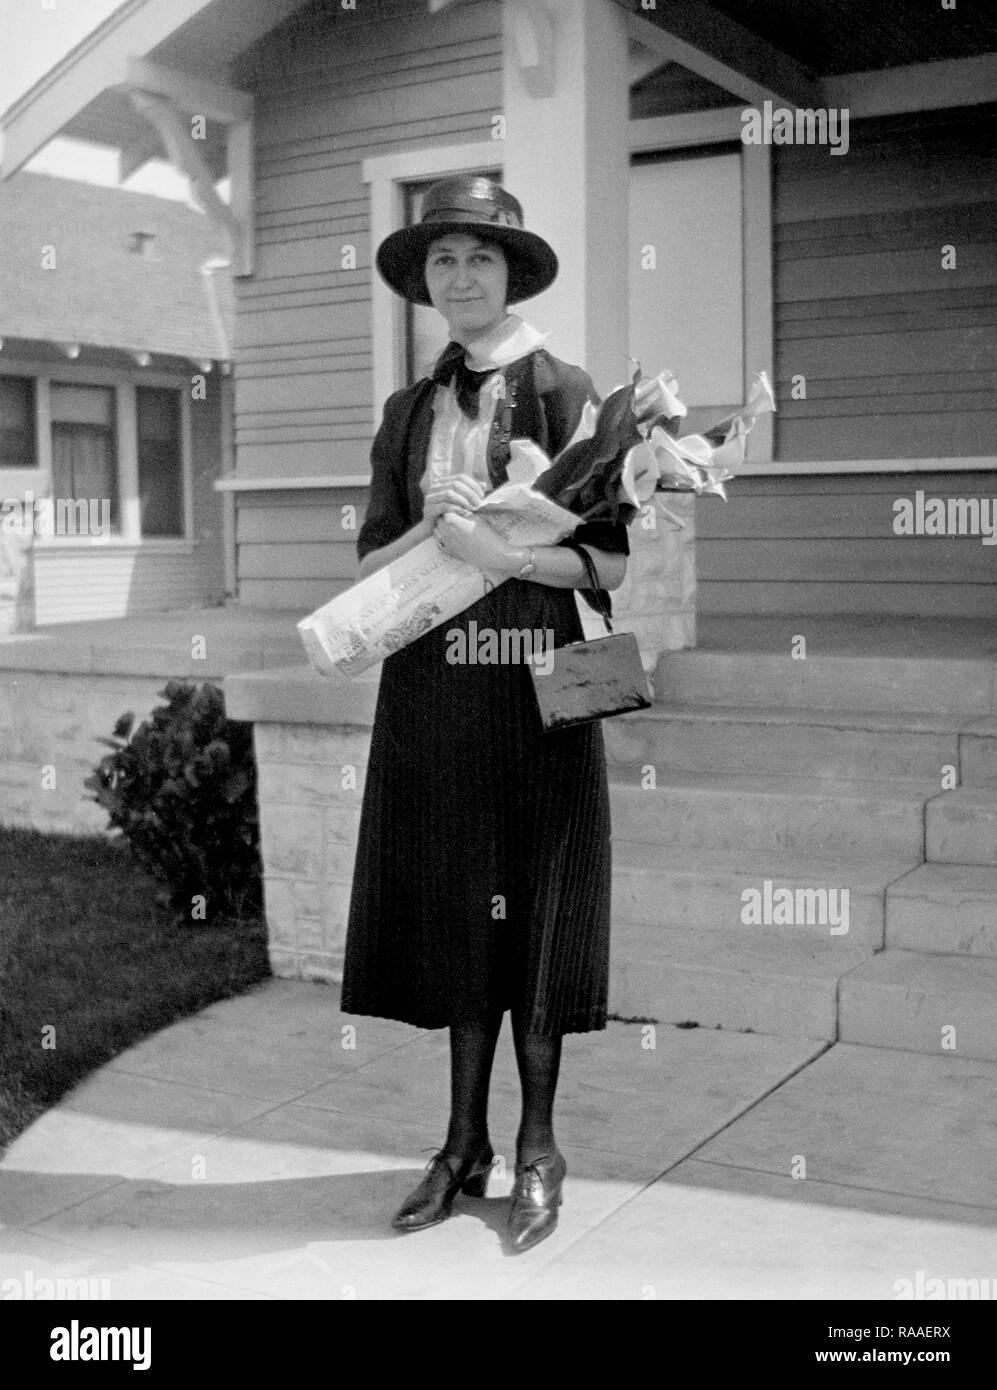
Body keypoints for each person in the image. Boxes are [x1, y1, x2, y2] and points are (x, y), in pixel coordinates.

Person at [340, 175, 631, 1253]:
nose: (460, 277)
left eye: (480, 258)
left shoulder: (567, 391)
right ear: (425, 282)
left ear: (512, 274)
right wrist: (430, 529)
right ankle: (462, 1144)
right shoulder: (407, 410)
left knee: (540, 905)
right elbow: (368, 563)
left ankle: (538, 1147)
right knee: (463, 906)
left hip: (541, 676)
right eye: (443, 261)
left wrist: (499, 553)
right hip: (435, 687)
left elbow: (607, 562)